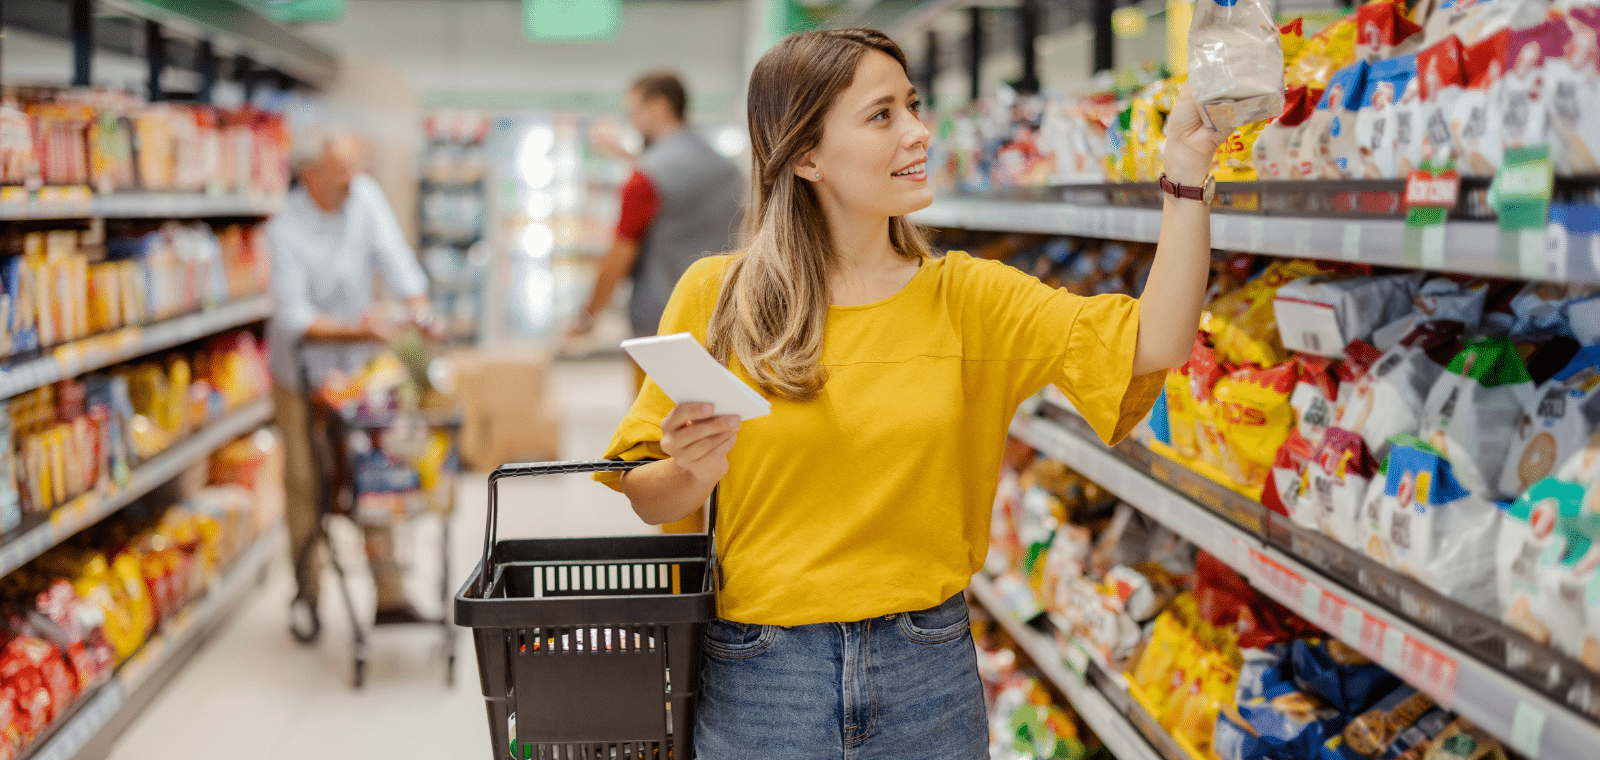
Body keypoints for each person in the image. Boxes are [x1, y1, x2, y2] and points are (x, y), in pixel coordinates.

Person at [594, 28, 1223, 759]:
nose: (920, 132)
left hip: (927, 671)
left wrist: (1185, 176)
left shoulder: (968, 297)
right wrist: (690, 469)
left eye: (914, 107)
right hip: (763, 677)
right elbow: (648, 493)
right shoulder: (719, 296)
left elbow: (1158, 341)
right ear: (806, 156)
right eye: (883, 115)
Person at [267, 134, 440, 633]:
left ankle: (389, 595)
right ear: (310, 176)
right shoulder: (285, 228)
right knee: (305, 481)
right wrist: (361, 328)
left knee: (375, 473)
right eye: (339, 173)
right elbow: (295, 315)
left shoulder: (362, 197)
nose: (351, 181)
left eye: (353, 171)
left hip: (358, 372)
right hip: (301, 373)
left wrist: (419, 309)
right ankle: (308, 592)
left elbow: (396, 258)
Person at [575, 71, 743, 534]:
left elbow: (620, 254)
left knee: (669, 458)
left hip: (661, 334)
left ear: (658, 107)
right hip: (732, 328)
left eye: (634, 110)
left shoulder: (644, 179)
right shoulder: (728, 170)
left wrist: (588, 314)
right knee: (729, 449)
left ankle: (682, 577)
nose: (631, 120)